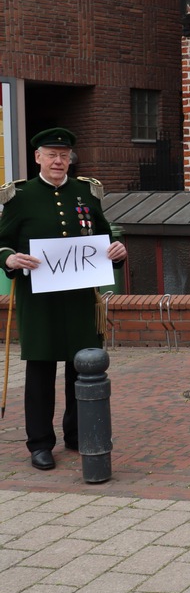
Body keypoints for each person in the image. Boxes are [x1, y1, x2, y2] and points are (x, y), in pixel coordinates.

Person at [0, 128, 127, 471]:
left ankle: (78, 432)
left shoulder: (86, 191)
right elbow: (2, 241)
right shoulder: (20, 196)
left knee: (81, 367)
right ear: (37, 157)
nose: (59, 161)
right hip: (38, 298)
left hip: (80, 297)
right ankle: (40, 443)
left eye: (64, 155)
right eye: (51, 155)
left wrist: (117, 249)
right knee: (40, 370)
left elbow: (105, 233)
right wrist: (9, 258)